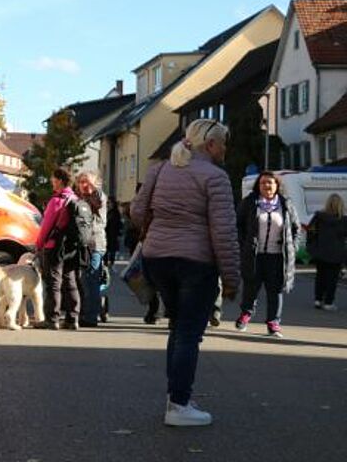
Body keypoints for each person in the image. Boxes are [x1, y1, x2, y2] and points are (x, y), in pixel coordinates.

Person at [131, 118, 240, 427]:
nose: (225, 149)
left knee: (178, 328)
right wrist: (231, 280)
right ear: (210, 145)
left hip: (158, 258)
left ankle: (175, 396)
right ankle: (179, 404)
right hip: (196, 263)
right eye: (222, 143)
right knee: (189, 334)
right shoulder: (215, 178)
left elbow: (137, 213)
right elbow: (224, 233)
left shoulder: (160, 170)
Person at [234, 171, 300, 338]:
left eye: (270, 182)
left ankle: (273, 322)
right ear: (258, 185)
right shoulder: (250, 202)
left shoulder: (285, 204)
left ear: (277, 186)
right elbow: (238, 225)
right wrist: (243, 244)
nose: (267, 186)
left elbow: (295, 228)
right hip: (254, 255)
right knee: (251, 287)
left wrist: (293, 247)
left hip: (277, 257)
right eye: (263, 183)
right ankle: (246, 314)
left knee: (275, 291)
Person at [35, 167, 82, 330]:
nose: (51, 182)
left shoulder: (57, 201)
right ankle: (72, 319)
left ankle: (52, 319)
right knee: (70, 282)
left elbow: (46, 227)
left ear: (60, 181)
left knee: (53, 283)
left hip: (55, 247)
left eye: (53, 180)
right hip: (72, 247)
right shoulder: (76, 199)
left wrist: (39, 245)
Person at [76, 171, 107, 327]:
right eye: (81, 181)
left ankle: (90, 317)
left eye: (87, 181)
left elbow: (98, 205)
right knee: (85, 281)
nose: (84, 184)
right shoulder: (80, 198)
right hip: (84, 245)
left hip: (95, 244)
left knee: (91, 280)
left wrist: (92, 187)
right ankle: (90, 311)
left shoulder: (98, 196)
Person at [307, 193, 347, 311]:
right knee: (332, 279)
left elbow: (311, 231)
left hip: (320, 252)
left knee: (320, 276)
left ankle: (318, 300)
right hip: (337, 253)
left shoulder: (318, 217)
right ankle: (329, 302)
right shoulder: (344, 220)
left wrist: (312, 246)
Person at [105, 198, 122, 267]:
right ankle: (106, 262)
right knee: (107, 248)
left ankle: (111, 261)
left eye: (109, 203)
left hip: (113, 233)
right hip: (107, 233)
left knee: (112, 248)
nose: (108, 204)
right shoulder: (108, 212)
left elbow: (118, 223)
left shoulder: (115, 212)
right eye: (107, 203)